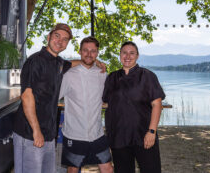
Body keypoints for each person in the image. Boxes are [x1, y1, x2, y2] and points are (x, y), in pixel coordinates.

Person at [12, 24, 105, 173]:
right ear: (48, 37)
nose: (60, 41)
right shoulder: (35, 61)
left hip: (49, 133)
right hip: (29, 132)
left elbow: (76, 62)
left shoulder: (58, 63)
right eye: (57, 36)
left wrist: (95, 62)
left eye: (65, 39)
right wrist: (36, 131)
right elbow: (27, 96)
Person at [102, 41, 165, 173]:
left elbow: (157, 104)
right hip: (118, 137)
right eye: (124, 52)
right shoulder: (112, 77)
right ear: (120, 55)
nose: (127, 56)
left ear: (137, 56)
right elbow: (107, 103)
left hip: (143, 135)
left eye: (132, 53)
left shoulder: (147, 76)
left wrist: (152, 132)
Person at [59, 37, 113, 173]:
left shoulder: (102, 74)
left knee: (107, 167)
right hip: (74, 134)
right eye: (85, 50)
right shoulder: (69, 75)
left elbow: (105, 98)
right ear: (79, 51)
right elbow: (54, 97)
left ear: (97, 53)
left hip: (97, 133)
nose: (89, 54)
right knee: (73, 168)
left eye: (93, 51)